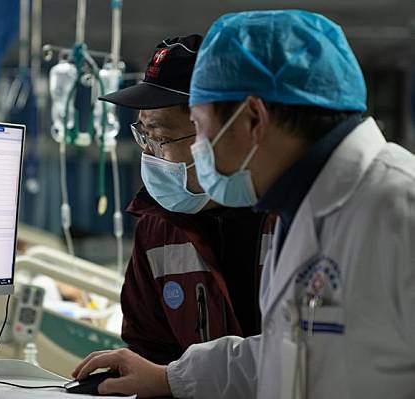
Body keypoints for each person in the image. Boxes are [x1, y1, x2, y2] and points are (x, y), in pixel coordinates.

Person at [72, 10, 415, 399]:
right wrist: (171, 378)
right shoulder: (300, 213)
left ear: (253, 118)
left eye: (200, 127)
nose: (199, 148)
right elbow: (282, 355)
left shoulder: (400, 208)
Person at [99, 34, 273, 365]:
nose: (150, 155)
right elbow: (150, 354)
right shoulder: (157, 229)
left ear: (219, 131)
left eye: (161, 137)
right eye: (144, 136)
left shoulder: (291, 221)